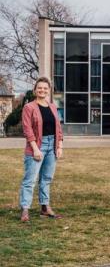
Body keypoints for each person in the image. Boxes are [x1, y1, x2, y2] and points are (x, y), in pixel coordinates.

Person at [19, 77, 64, 222]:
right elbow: (27, 130)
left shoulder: (52, 106)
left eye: (45, 88)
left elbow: (58, 128)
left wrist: (59, 146)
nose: (42, 90)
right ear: (35, 90)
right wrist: (35, 149)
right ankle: (25, 209)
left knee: (46, 178)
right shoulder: (29, 107)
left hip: (52, 145)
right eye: (40, 88)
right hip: (37, 146)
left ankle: (45, 207)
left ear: (49, 90)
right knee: (29, 180)